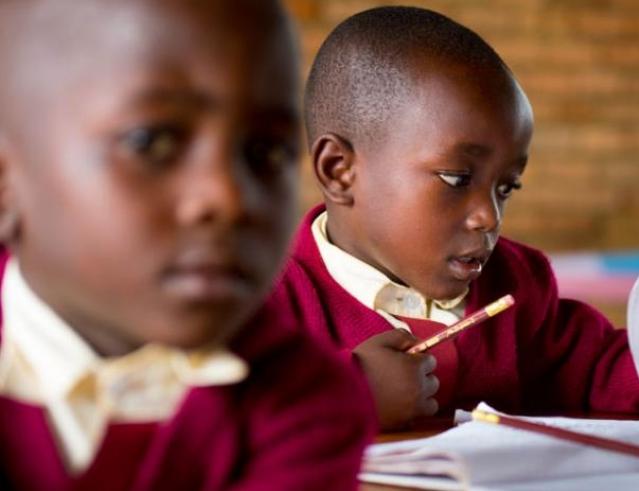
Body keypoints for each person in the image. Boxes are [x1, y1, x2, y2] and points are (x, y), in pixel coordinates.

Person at [289, 5, 639, 431]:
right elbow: (228, 427)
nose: (487, 217)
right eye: (456, 178)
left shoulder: (518, 284)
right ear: (340, 171)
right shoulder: (263, 305)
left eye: (505, 188)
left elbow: (594, 368)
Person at [0, 1, 374, 489]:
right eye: (150, 142)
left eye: (268, 151)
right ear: (7, 178)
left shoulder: (303, 399)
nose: (228, 196)